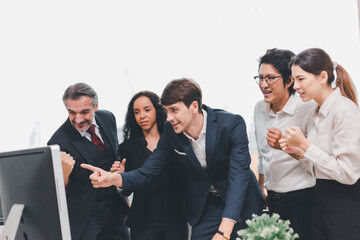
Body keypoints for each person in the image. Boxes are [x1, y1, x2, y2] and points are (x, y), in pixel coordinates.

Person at [81, 78, 264, 240]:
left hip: (242, 201)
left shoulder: (231, 124)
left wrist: (225, 230)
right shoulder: (171, 132)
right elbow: (149, 170)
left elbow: (238, 176)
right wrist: (115, 179)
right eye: (166, 111)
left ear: (193, 106)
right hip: (207, 205)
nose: (168, 118)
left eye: (174, 110)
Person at [279, 48, 360, 240]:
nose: (295, 86)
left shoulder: (344, 110)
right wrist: (296, 152)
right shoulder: (315, 112)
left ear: (322, 76)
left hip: (345, 204)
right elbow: (318, 170)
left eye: (301, 79)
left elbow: (348, 173)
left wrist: (305, 146)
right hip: (321, 199)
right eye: (293, 79)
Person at [48, 83, 129, 240]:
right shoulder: (58, 142)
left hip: (115, 211)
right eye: (72, 113)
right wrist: (63, 175)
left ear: (96, 106)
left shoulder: (108, 118)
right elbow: (53, 193)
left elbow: (115, 156)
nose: (78, 119)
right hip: (86, 219)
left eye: (84, 112)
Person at [253, 48, 316, 240]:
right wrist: (261, 189)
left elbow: (315, 163)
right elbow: (263, 157)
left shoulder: (307, 109)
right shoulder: (258, 109)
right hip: (273, 200)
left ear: (289, 81)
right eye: (260, 78)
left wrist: (286, 147)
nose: (264, 84)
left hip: (303, 200)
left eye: (270, 78)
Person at [111, 91, 188, 240]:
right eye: (136, 112)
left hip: (175, 216)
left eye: (147, 110)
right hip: (143, 218)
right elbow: (127, 190)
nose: (142, 116)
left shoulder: (176, 138)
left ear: (157, 110)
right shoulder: (127, 148)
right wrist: (121, 176)